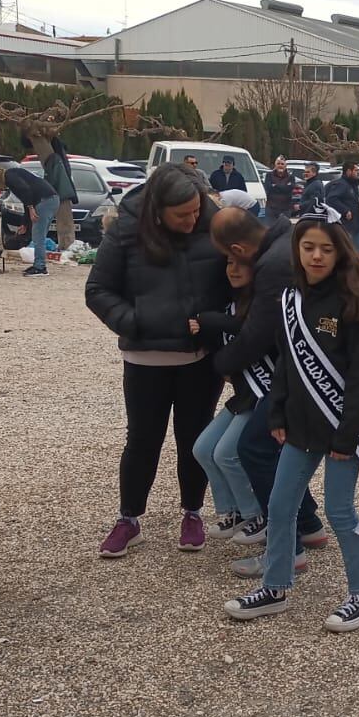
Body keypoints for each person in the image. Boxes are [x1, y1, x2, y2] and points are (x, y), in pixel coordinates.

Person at [223, 214, 359, 633]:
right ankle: (274, 587)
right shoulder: (289, 300)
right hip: (297, 428)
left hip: (339, 428)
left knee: (339, 512)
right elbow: (285, 366)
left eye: (326, 249)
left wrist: (348, 435)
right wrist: (276, 413)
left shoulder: (353, 305)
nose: (316, 255)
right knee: (279, 506)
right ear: (297, 249)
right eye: (309, 246)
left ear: (340, 253)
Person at [85, 164, 230, 556]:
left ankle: (193, 512)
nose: (192, 219)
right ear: (158, 211)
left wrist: (219, 324)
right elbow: (98, 290)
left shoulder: (212, 223)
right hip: (144, 357)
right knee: (142, 440)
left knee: (194, 439)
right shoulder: (126, 229)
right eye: (182, 215)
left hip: (200, 357)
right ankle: (129, 518)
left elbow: (237, 275)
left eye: (196, 211)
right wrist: (136, 322)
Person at [207, 208, 329, 574]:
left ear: (239, 247)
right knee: (275, 454)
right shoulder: (282, 243)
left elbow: (258, 334)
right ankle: (308, 526)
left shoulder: (273, 264)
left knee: (254, 451)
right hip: (295, 373)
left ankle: (286, 551)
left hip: (289, 376)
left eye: (229, 256)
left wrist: (222, 364)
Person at [188, 239, 264, 540]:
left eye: (240, 263)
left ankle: (257, 514)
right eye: (229, 263)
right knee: (203, 449)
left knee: (227, 453)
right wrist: (201, 331)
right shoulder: (225, 302)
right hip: (243, 393)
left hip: (262, 392)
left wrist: (208, 321)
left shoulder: (261, 302)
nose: (233, 269)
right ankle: (231, 510)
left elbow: (246, 329)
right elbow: (217, 341)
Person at [0, 164, 60, 277]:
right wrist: (24, 223)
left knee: (38, 236)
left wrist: (32, 208)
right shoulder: (14, 174)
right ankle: (38, 264)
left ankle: (40, 267)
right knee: (39, 235)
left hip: (44, 201)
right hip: (51, 199)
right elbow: (26, 199)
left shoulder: (10, 177)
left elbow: (26, 191)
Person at [324, 161, 359, 252]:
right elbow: (331, 199)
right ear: (348, 171)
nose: (358, 172)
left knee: (358, 249)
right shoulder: (342, 184)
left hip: (356, 223)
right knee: (349, 249)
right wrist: (345, 210)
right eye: (356, 170)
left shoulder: (353, 184)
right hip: (347, 224)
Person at [263, 156, 296, 221]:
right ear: (275, 165)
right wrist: (284, 187)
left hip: (286, 209)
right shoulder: (269, 175)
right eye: (278, 163)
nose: (280, 165)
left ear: (285, 166)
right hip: (271, 209)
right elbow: (268, 188)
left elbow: (289, 189)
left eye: (282, 164)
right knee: (270, 229)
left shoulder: (291, 177)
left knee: (284, 229)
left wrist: (275, 186)